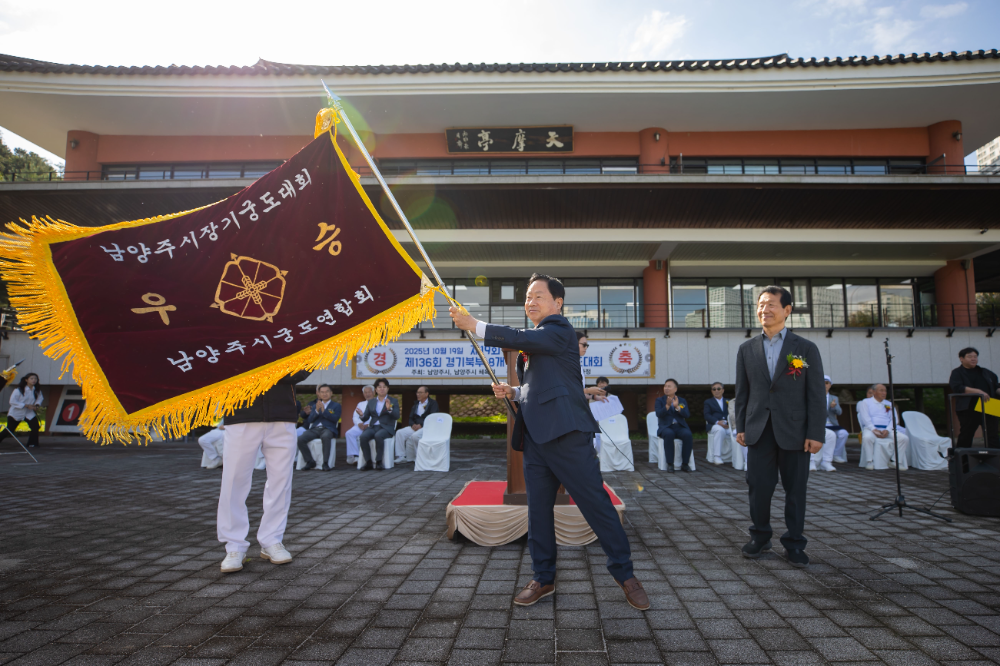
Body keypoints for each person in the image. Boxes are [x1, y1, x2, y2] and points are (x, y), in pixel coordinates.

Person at [450, 273, 649, 611]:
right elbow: (538, 388)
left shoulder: (559, 331)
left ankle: (625, 574)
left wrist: (475, 324)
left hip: (568, 437)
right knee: (538, 513)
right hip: (536, 441)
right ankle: (543, 578)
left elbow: (516, 336)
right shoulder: (536, 346)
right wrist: (514, 391)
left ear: (557, 303)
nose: (531, 301)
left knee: (596, 507)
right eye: (528, 296)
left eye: (538, 296)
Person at [734, 285, 825, 569]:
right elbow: (743, 392)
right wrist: (741, 426)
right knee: (758, 487)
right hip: (759, 430)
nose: (764, 309)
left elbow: (815, 394)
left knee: (795, 490)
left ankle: (795, 543)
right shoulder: (746, 348)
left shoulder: (805, 348)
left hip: (796, 433)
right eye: (761, 304)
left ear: (787, 310)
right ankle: (760, 536)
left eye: (771, 304)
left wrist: (815, 433)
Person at [218, 370, 311, 573]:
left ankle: (272, 540)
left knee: (281, 481)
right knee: (233, 481)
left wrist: (271, 368)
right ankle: (234, 546)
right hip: (240, 410)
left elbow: (306, 365)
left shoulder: (286, 336)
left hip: (282, 413)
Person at [949, 347, 1000, 448]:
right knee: (967, 434)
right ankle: (963, 461)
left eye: (975, 357)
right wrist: (978, 391)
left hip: (989, 404)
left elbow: (996, 386)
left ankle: (995, 461)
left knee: (993, 434)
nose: (973, 359)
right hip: (969, 406)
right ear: (961, 359)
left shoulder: (985, 372)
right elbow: (957, 387)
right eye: (969, 356)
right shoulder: (957, 372)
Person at [858, 384, 909, 471]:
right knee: (867, 437)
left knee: (904, 438)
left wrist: (888, 430)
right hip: (871, 429)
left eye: (885, 391)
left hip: (886, 429)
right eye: (881, 390)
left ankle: (895, 461)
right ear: (874, 392)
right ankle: (870, 461)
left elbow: (894, 419)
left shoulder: (889, 403)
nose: (884, 393)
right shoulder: (865, 402)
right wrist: (874, 429)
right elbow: (865, 418)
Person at [357, 377, 400, 470]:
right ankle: (368, 462)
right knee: (363, 437)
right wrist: (361, 415)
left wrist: (389, 409)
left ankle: (379, 461)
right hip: (373, 427)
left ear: (388, 389)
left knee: (378, 436)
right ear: (376, 389)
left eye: (384, 387)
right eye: (379, 387)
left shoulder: (393, 401)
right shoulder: (371, 402)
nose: (382, 389)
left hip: (386, 428)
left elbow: (397, 416)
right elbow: (366, 417)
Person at [297, 384, 342, 471]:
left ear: (331, 393)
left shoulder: (336, 405)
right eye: (322, 392)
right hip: (315, 429)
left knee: (325, 437)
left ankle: (325, 463)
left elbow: (335, 418)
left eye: (327, 392)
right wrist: (317, 410)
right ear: (319, 394)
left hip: (328, 429)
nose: (324, 394)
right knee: (301, 439)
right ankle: (310, 461)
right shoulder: (315, 405)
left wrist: (324, 411)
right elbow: (310, 420)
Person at [655, 379, 694, 472]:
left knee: (688, 434)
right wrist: (667, 406)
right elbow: (659, 414)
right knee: (669, 434)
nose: (666, 388)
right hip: (666, 427)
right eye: (665, 386)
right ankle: (670, 464)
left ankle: (685, 464)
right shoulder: (659, 400)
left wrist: (677, 407)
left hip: (679, 426)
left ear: (675, 389)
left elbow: (687, 415)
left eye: (669, 386)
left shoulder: (681, 400)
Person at [394, 386, 438, 464]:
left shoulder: (433, 403)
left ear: (426, 394)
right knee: (400, 433)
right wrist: (412, 425)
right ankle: (401, 456)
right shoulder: (416, 404)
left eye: (420, 392)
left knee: (415, 436)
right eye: (417, 392)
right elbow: (410, 417)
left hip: (426, 427)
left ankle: (420, 457)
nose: (418, 394)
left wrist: (421, 425)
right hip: (415, 427)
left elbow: (432, 417)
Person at [1, 373, 43, 448]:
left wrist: (36, 405)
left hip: (28, 412)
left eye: (35, 379)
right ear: (26, 380)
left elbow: (40, 398)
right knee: (10, 429)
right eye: (31, 378)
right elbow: (12, 401)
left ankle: (32, 444)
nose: (34, 380)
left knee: (35, 426)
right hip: (16, 413)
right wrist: (26, 405)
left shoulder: (36, 390)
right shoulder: (18, 390)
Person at [344, 385, 374, 464]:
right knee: (349, 433)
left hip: (371, 426)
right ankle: (355, 456)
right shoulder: (361, 404)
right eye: (365, 392)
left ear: (374, 393)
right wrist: (359, 423)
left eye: (369, 392)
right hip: (361, 426)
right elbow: (355, 417)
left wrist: (369, 424)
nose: (367, 394)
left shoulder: (377, 403)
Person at [824, 375, 849, 464]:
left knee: (844, 434)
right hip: (821, 424)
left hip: (832, 424)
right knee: (831, 435)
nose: (825, 385)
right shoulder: (815, 397)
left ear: (830, 385)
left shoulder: (834, 398)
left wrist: (833, 407)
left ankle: (836, 455)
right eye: (823, 383)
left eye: (827, 383)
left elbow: (839, 412)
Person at [704, 382, 729, 465]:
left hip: (728, 425)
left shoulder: (728, 401)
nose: (716, 391)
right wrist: (718, 422)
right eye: (714, 389)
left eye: (718, 389)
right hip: (714, 425)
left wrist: (730, 423)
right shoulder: (708, 402)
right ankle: (717, 456)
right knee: (720, 430)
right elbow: (707, 415)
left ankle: (741, 459)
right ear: (712, 391)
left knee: (737, 432)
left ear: (723, 390)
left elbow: (733, 414)